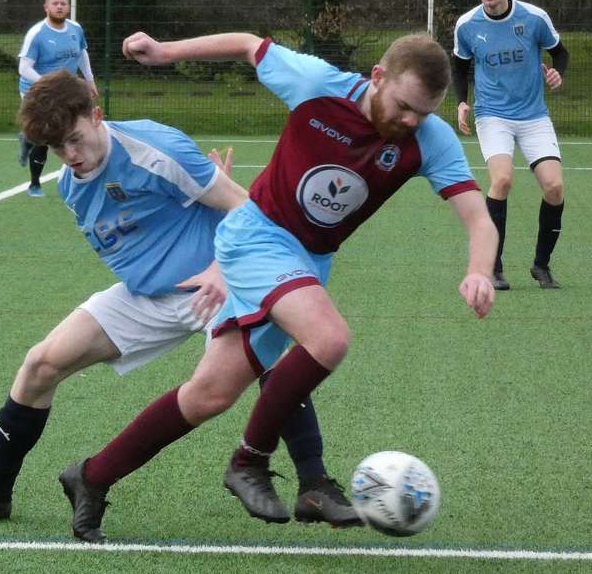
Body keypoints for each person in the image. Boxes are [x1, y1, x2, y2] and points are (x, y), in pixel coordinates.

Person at [53, 31, 497, 543]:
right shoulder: (317, 85)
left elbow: (477, 218)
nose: (411, 121)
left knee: (209, 395)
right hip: (255, 236)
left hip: (308, 260)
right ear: (377, 77)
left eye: (424, 111)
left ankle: (91, 476)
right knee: (328, 338)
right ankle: (250, 462)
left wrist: (479, 269)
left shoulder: (429, 138)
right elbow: (248, 44)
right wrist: (166, 52)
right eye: (403, 106)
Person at [0, 69, 360, 534]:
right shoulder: (72, 185)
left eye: (75, 140)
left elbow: (248, 209)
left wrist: (220, 264)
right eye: (57, 149)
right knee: (39, 365)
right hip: (150, 295)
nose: (70, 156)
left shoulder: (154, 149)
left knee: (269, 360)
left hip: (220, 281)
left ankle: (314, 484)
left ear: (97, 115)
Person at [452, 0, 570, 290]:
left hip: (533, 116)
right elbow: (459, 65)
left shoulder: (533, 18)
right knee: (501, 180)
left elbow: (560, 52)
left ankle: (541, 266)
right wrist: (462, 102)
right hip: (493, 115)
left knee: (554, 187)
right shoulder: (467, 24)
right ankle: (493, 266)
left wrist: (557, 74)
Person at [17, 0, 98, 197]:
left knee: (76, 128)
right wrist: (48, 83)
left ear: (68, 8)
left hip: (65, 90)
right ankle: (35, 184)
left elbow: (82, 53)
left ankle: (86, 175)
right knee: (45, 136)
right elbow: (24, 69)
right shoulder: (37, 34)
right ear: (46, 7)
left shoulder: (75, 29)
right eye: (55, 3)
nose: (60, 7)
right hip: (37, 91)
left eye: (63, 3)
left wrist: (89, 80)